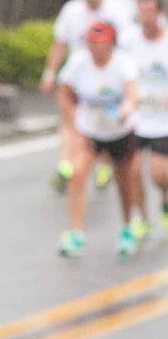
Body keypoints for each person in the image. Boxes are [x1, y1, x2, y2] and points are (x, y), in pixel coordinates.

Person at [55, 20, 143, 258]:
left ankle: (126, 228)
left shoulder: (123, 63)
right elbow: (63, 94)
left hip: (120, 132)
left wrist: (127, 106)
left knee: (124, 182)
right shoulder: (78, 63)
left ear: (110, 44)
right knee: (77, 175)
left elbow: (132, 92)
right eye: (90, 43)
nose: (94, 48)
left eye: (99, 43)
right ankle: (75, 233)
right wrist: (73, 128)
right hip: (90, 131)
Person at [43, 0, 116, 193]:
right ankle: (66, 164)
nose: (89, 0)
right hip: (75, 77)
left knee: (103, 125)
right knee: (69, 121)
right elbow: (59, 43)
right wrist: (49, 72)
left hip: (104, 80)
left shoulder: (113, 13)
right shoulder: (71, 10)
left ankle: (104, 166)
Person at [125, 0, 168, 240]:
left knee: (159, 175)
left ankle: (164, 200)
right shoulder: (131, 42)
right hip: (137, 118)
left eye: (151, 11)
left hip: (163, 121)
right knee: (132, 171)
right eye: (142, 12)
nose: (146, 17)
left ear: (159, 13)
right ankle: (142, 218)